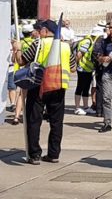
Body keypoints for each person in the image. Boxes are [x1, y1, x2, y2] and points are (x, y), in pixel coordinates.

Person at [12, 19, 76, 164]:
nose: (37, 32)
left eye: (39, 30)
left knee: (34, 120)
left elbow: (22, 61)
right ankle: (53, 154)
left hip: (38, 86)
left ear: (45, 31)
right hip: (59, 86)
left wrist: (17, 48)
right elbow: (73, 67)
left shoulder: (39, 43)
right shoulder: (65, 46)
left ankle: (34, 155)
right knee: (56, 122)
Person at [74, 27, 101, 115]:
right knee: (80, 87)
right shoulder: (87, 41)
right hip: (82, 68)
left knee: (86, 88)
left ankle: (85, 107)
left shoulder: (91, 41)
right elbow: (79, 54)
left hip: (88, 68)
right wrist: (76, 64)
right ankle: (77, 107)